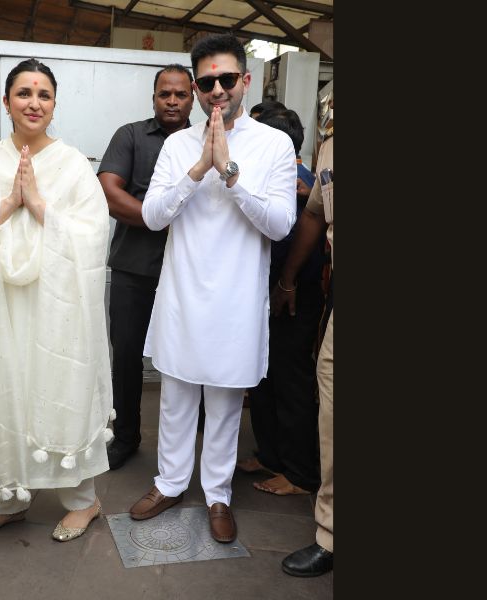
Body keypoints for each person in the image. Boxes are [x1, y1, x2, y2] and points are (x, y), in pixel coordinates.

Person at [128, 34, 297, 544]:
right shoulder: (178, 145)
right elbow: (153, 217)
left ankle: (217, 494)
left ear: (245, 80)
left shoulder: (274, 144)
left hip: (236, 297)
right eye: (207, 82)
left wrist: (228, 172)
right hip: (182, 292)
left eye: (226, 79)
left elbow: (280, 225)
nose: (217, 90)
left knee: (224, 403)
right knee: (176, 397)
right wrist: (198, 167)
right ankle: (170, 483)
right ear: (198, 89)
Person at [0, 59, 113, 543]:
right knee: (2, 391)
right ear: (6, 102)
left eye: (43, 94)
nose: (34, 103)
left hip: (56, 306)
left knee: (60, 388)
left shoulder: (72, 164)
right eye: (23, 93)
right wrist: (5, 205)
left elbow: (93, 235)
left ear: (54, 105)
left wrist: (38, 205)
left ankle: (83, 500)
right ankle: (8, 499)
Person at [98, 64, 194, 470]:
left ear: (192, 97)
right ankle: (125, 437)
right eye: (164, 94)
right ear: (153, 97)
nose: (172, 101)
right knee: (126, 356)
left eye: (180, 94)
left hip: (190, 271)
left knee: (190, 356)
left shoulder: (206, 141)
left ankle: (192, 440)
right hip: (134, 268)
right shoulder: (131, 136)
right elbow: (109, 193)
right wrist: (159, 218)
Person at [237, 108, 326, 497]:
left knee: (290, 381)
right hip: (267, 293)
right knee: (263, 377)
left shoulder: (301, 183)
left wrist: (286, 283)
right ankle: (271, 456)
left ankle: (300, 473)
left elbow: (296, 240)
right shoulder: (274, 178)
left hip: (293, 296)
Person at [274, 95, 334, 577]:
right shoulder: (331, 147)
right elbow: (316, 214)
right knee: (330, 419)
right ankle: (330, 534)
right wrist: (288, 278)